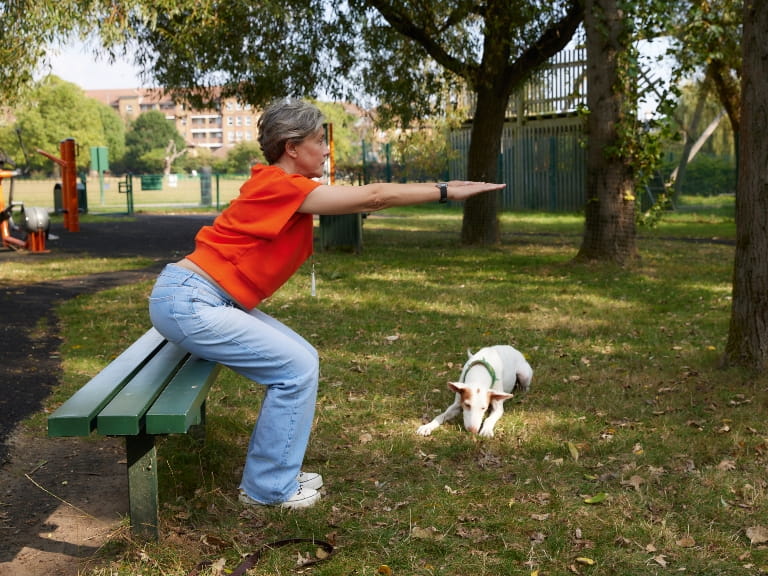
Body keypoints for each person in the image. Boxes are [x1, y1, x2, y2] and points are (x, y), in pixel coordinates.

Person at [148, 98, 505, 509]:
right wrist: (445, 191)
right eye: (320, 140)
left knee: (303, 357)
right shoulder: (279, 186)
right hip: (193, 300)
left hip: (201, 298)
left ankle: (275, 471)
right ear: (292, 147)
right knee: (294, 369)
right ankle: (267, 489)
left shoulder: (285, 189)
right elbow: (373, 197)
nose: (327, 149)